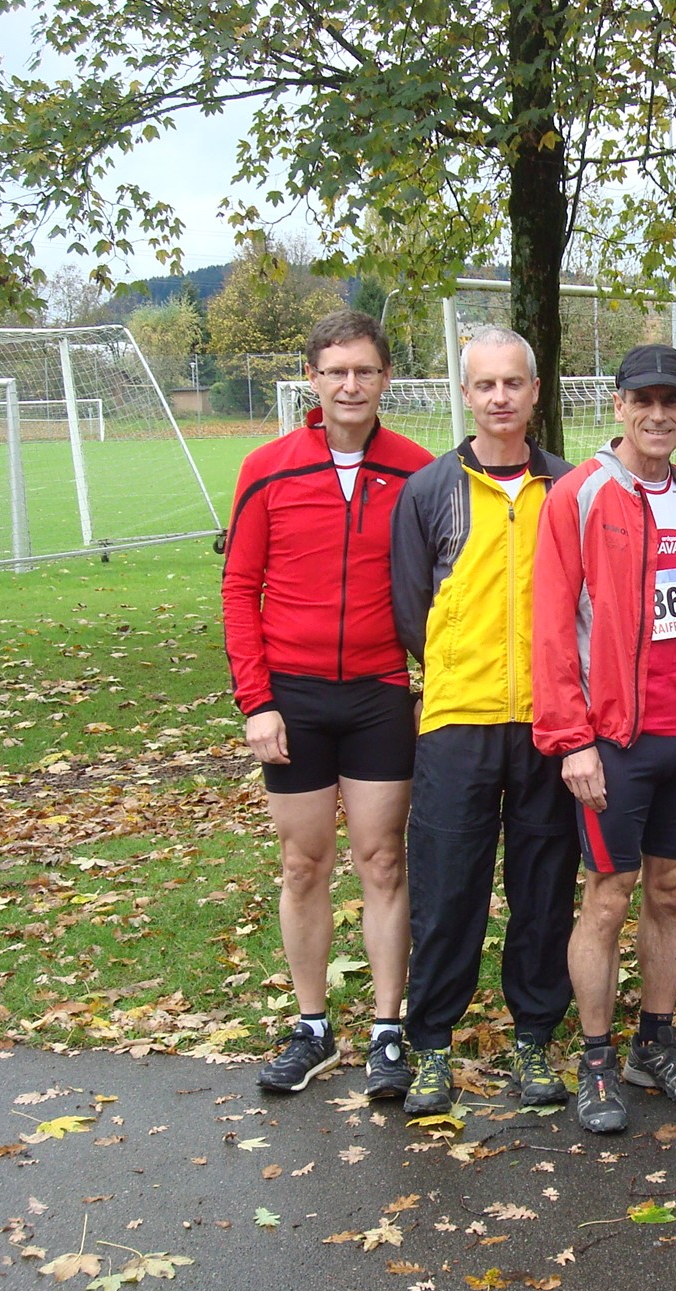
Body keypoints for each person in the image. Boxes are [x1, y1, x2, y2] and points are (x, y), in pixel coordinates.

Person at [221, 310, 434, 1097]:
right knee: (303, 864)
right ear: (313, 378)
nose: (351, 384)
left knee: (383, 860)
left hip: (381, 694)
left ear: (385, 380)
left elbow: (439, 589)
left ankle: (386, 1031)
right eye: (336, 370)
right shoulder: (267, 468)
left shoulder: (418, 470)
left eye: (366, 370)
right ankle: (312, 1027)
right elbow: (240, 588)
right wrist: (257, 701)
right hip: (294, 701)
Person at [532, 342, 676, 1134]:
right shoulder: (576, 496)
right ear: (616, 406)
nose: (657, 414)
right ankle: (598, 1059)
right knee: (607, 899)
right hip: (613, 741)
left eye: (670, 402)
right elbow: (549, 628)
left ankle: (656, 1039)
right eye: (641, 400)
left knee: (672, 895)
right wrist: (573, 740)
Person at [390, 327, 578, 1116]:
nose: (500, 398)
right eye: (485, 385)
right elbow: (409, 611)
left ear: (536, 393)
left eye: (514, 383)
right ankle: (430, 1046)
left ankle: (534, 1041)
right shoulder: (429, 491)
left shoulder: (570, 488)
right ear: (465, 395)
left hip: (550, 722)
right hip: (457, 721)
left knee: (542, 890)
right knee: (448, 890)